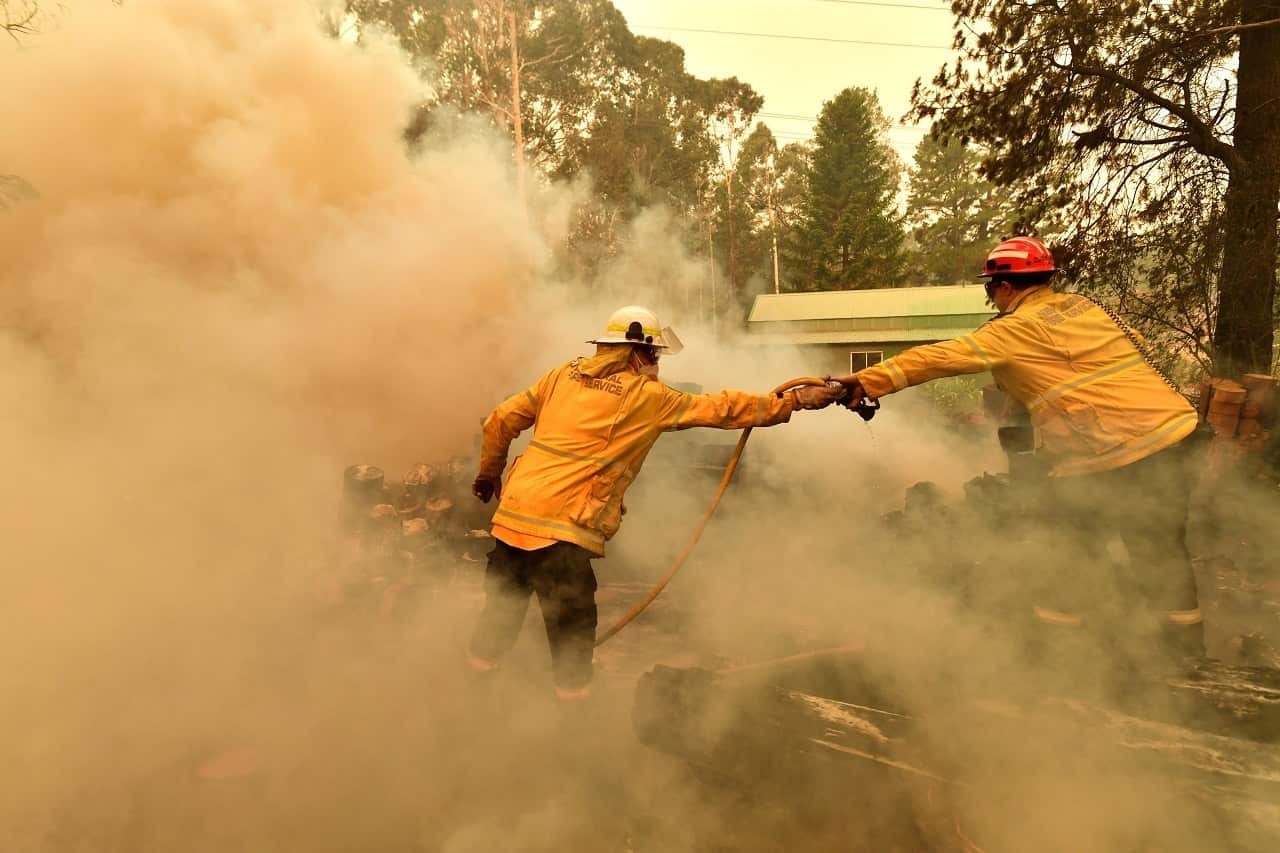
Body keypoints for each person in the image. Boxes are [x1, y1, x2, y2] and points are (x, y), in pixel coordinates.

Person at [829, 236, 1205, 664]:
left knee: (1063, 550)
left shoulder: (1014, 328)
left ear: (1005, 286)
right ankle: (1187, 660)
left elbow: (941, 358)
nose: (991, 298)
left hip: (1111, 450)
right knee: (1162, 552)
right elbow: (1129, 345)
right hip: (1175, 438)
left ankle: (1062, 657)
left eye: (990, 288)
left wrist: (866, 381)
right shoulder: (1085, 308)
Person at [467, 305, 843, 700]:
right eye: (654, 354)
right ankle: (572, 720)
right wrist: (794, 401)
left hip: (512, 519)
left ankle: (475, 693)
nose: (656, 362)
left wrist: (488, 474)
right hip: (561, 532)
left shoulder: (561, 375)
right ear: (637, 352)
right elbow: (721, 408)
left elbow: (499, 421)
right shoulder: (647, 396)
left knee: (498, 617)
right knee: (572, 635)